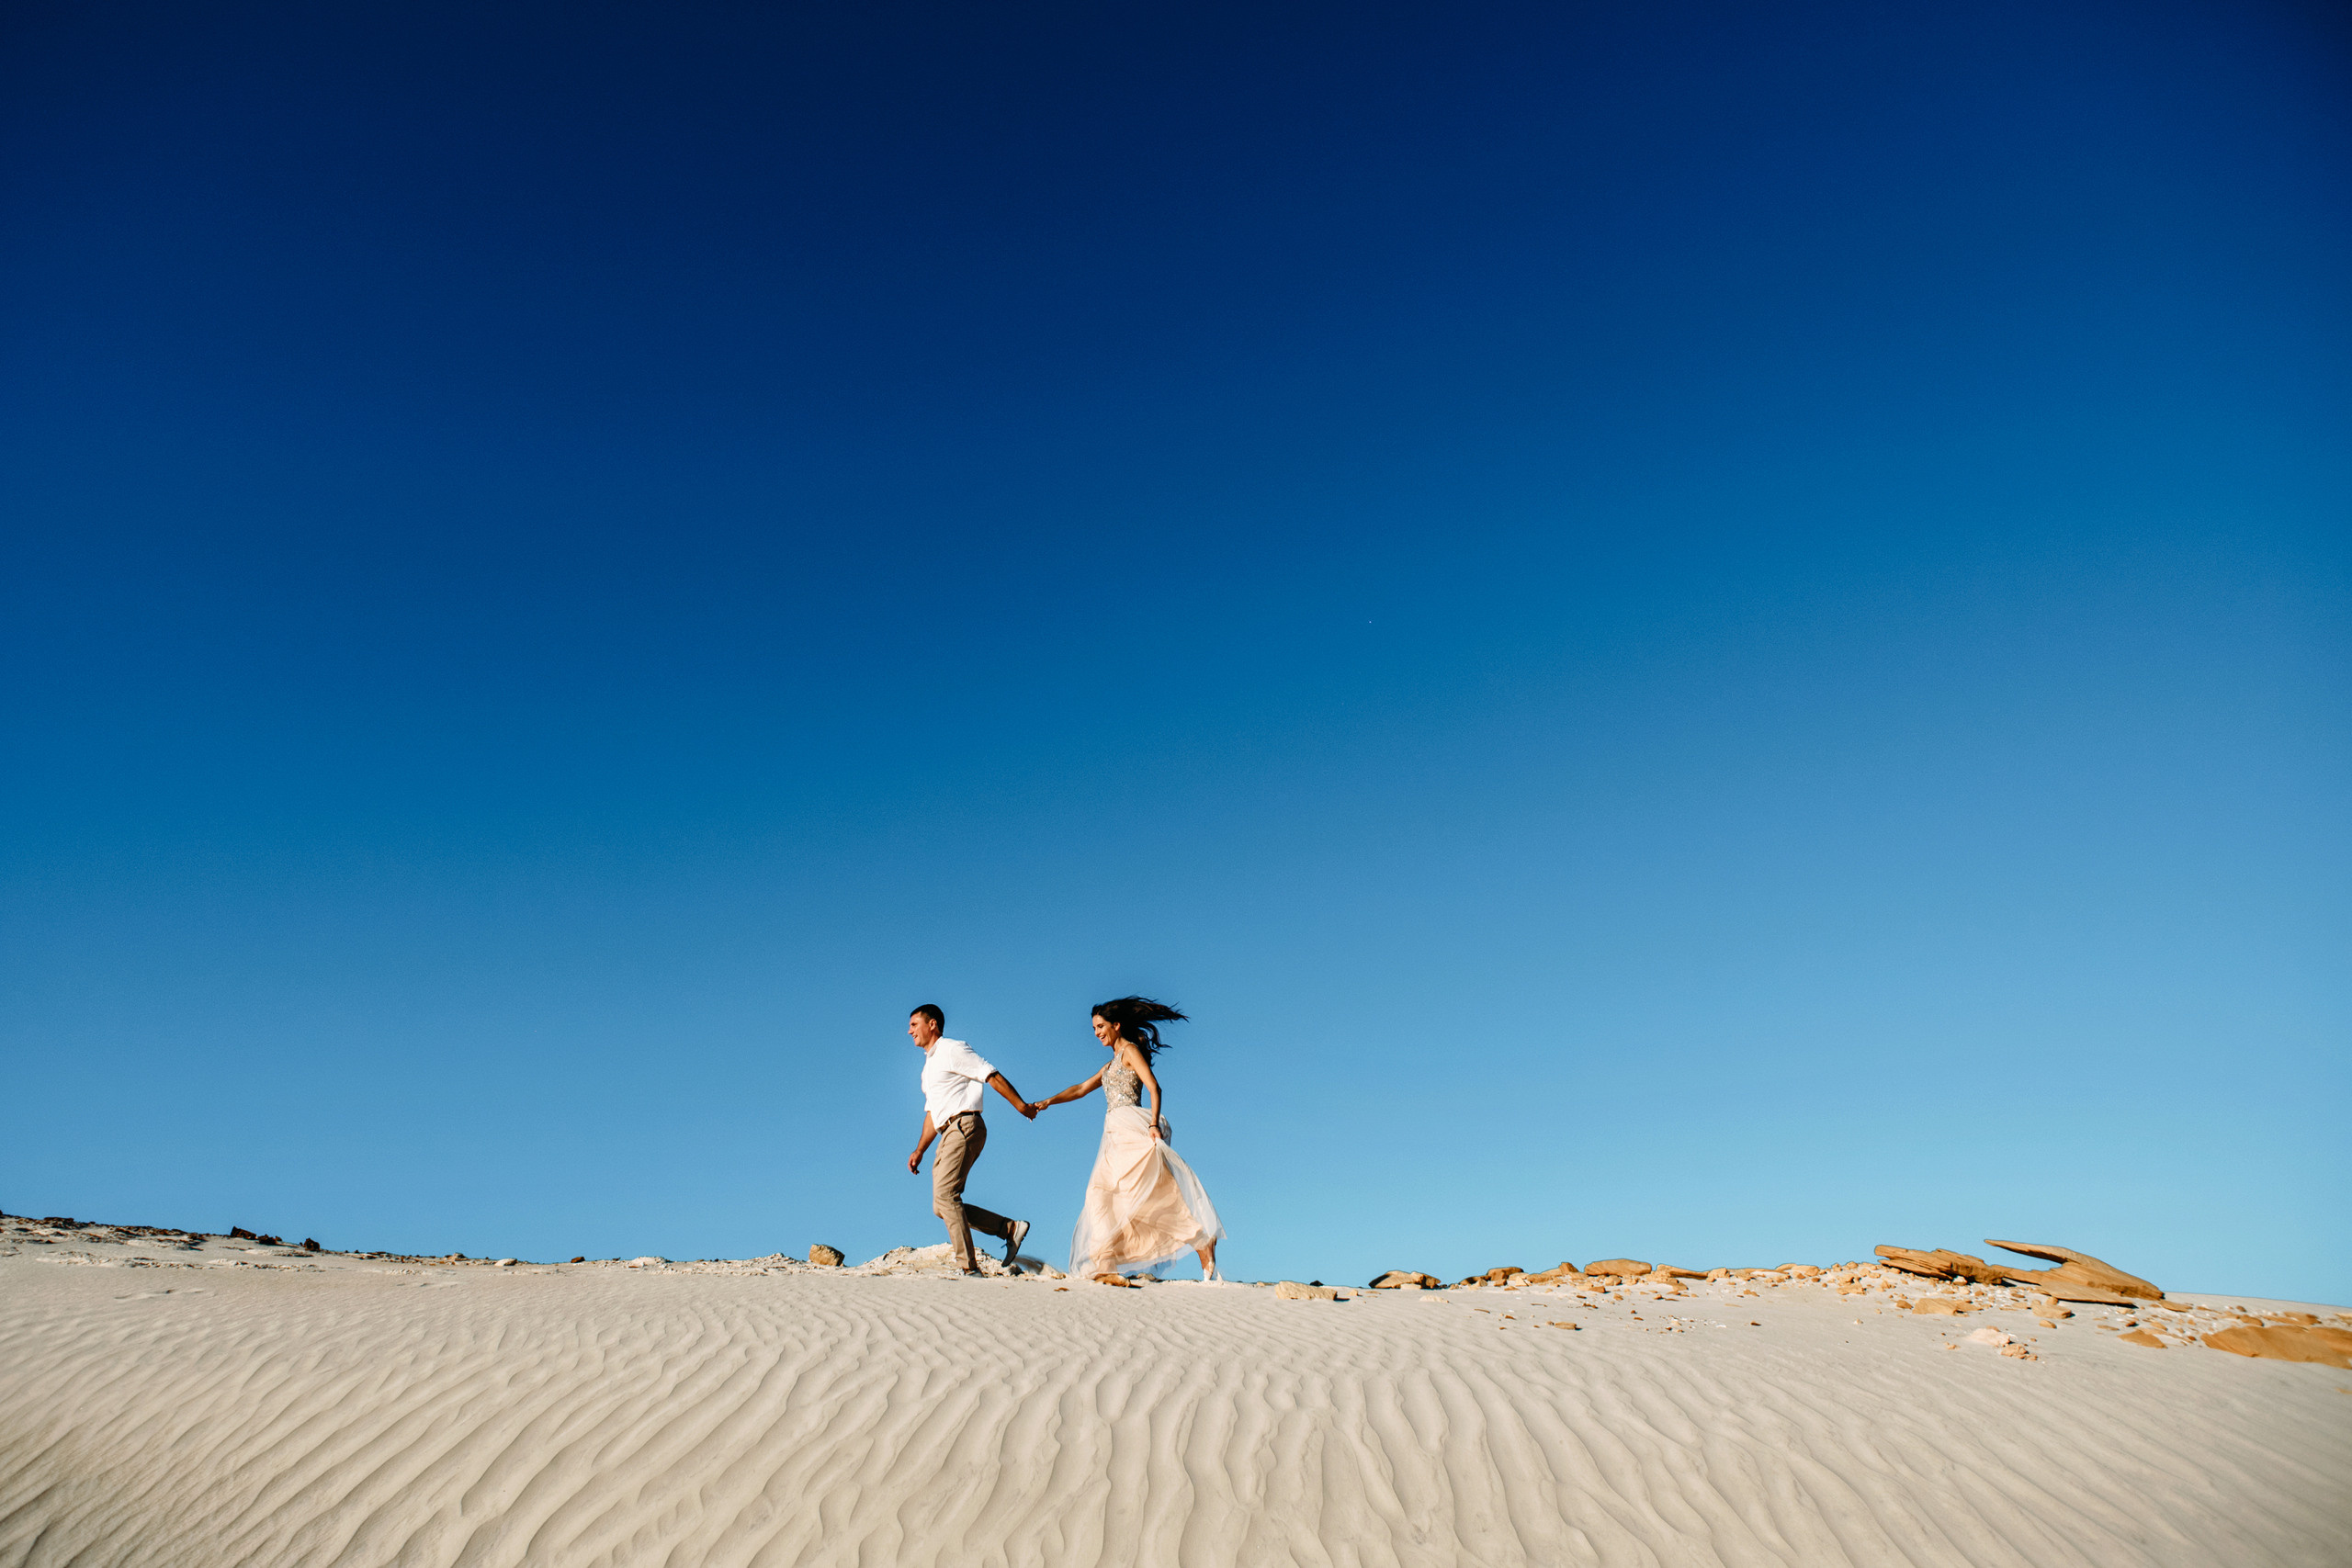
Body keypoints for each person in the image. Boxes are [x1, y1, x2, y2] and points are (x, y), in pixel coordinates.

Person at [1034, 996, 1225, 1281]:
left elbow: (1154, 1088)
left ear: (1116, 1025)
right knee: (1101, 1196)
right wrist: (1049, 1101)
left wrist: (1152, 1124)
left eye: (1100, 1026)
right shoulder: (1110, 1065)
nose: (1097, 1033)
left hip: (1130, 1127)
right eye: (1094, 1028)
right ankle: (1105, 1263)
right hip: (1113, 1134)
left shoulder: (1130, 1052)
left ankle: (1199, 1239)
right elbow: (1081, 1088)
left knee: (1145, 1195)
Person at [905, 1004, 1035, 1276]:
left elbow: (990, 1074)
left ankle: (969, 1268)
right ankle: (1008, 1229)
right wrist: (920, 1149)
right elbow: (933, 1112)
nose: (909, 1031)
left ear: (932, 1025)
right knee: (941, 1205)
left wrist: (1020, 1106)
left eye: (914, 1024)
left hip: (964, 1124)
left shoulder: (952, 1049)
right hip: (948, 1131)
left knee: (945, 1195)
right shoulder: (927, 1068)